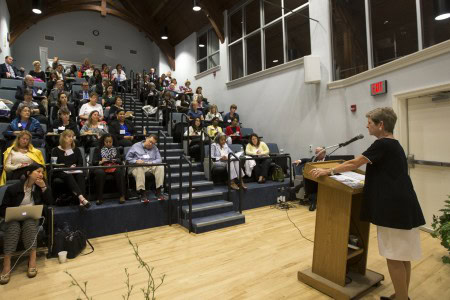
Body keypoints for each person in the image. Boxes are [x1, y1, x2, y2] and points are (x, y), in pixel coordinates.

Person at [311, 107, 425, 300]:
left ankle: (402, 298)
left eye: (370, 122)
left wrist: (328, 171)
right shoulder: (394, 144)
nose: (367, 125)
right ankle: (401, 295)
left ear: (381, 125)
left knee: (394, 257)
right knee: (402, 256)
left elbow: (353, 164)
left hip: (392, 209)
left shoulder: (382, 144)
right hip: (404, 205)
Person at [0, 163, 53, 285]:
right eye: (38, 171)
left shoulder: (40, 188)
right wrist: (13, 212)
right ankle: (6, 264)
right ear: (29, 173)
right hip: (13, 219)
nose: (41, 174)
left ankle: (32, 260)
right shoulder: (13, 189)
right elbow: (2, 209)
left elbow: (50, 202)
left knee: (29, 224)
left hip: (31, 217)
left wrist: (44, 187)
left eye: (42, 172)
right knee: (13, 227)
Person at [51, 130, 90, 208]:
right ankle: (81, 198)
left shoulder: (76, 150)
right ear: (63, 138)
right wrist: (67, 168)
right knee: (67, 175)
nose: (71, 138)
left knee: (80, 174)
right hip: (60, 171)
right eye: (69, 136)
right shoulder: (55, 150)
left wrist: (75, 167)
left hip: (75, 170)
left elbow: (80, 163)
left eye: (72, 137)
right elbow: (54, 165)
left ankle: (80, 200)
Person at [125, 134, 165, 202]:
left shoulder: (155, 148)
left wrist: (151, 163)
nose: (150, 144)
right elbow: (127, 158)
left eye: (153, 143)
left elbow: (159, 160)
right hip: (137, 166)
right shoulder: (136, 146)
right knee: (139, 168)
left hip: (149, 165)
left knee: (160, 166)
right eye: (150, 141)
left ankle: (158, 191)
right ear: (146, 138)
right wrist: (136, 161)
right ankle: (142, 192)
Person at [91, 134, 126, 205]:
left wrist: (114, 160)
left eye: (110, 142)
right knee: (100, 173)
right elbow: (94, 162)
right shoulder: (98, 149)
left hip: (113, 166)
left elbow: (119, 160)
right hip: (102, 167)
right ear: (103, 142)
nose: (108, 143)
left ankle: (122, 195)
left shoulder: (116, 149)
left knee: (119, 171)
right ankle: (99, 197)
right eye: (106, 142)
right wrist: (101, 161)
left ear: (112, 141)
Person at [291, 146, 327, 211]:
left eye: (317, 153)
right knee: (307, 177)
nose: (315, 154)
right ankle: (313, 202)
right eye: (315, 152)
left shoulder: (329, 159)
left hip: (324, 179)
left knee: (310, 182)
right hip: (313, 179)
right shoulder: (314, 158)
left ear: (323, 153)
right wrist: (299, 160)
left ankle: (298, 188)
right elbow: (306, 160)